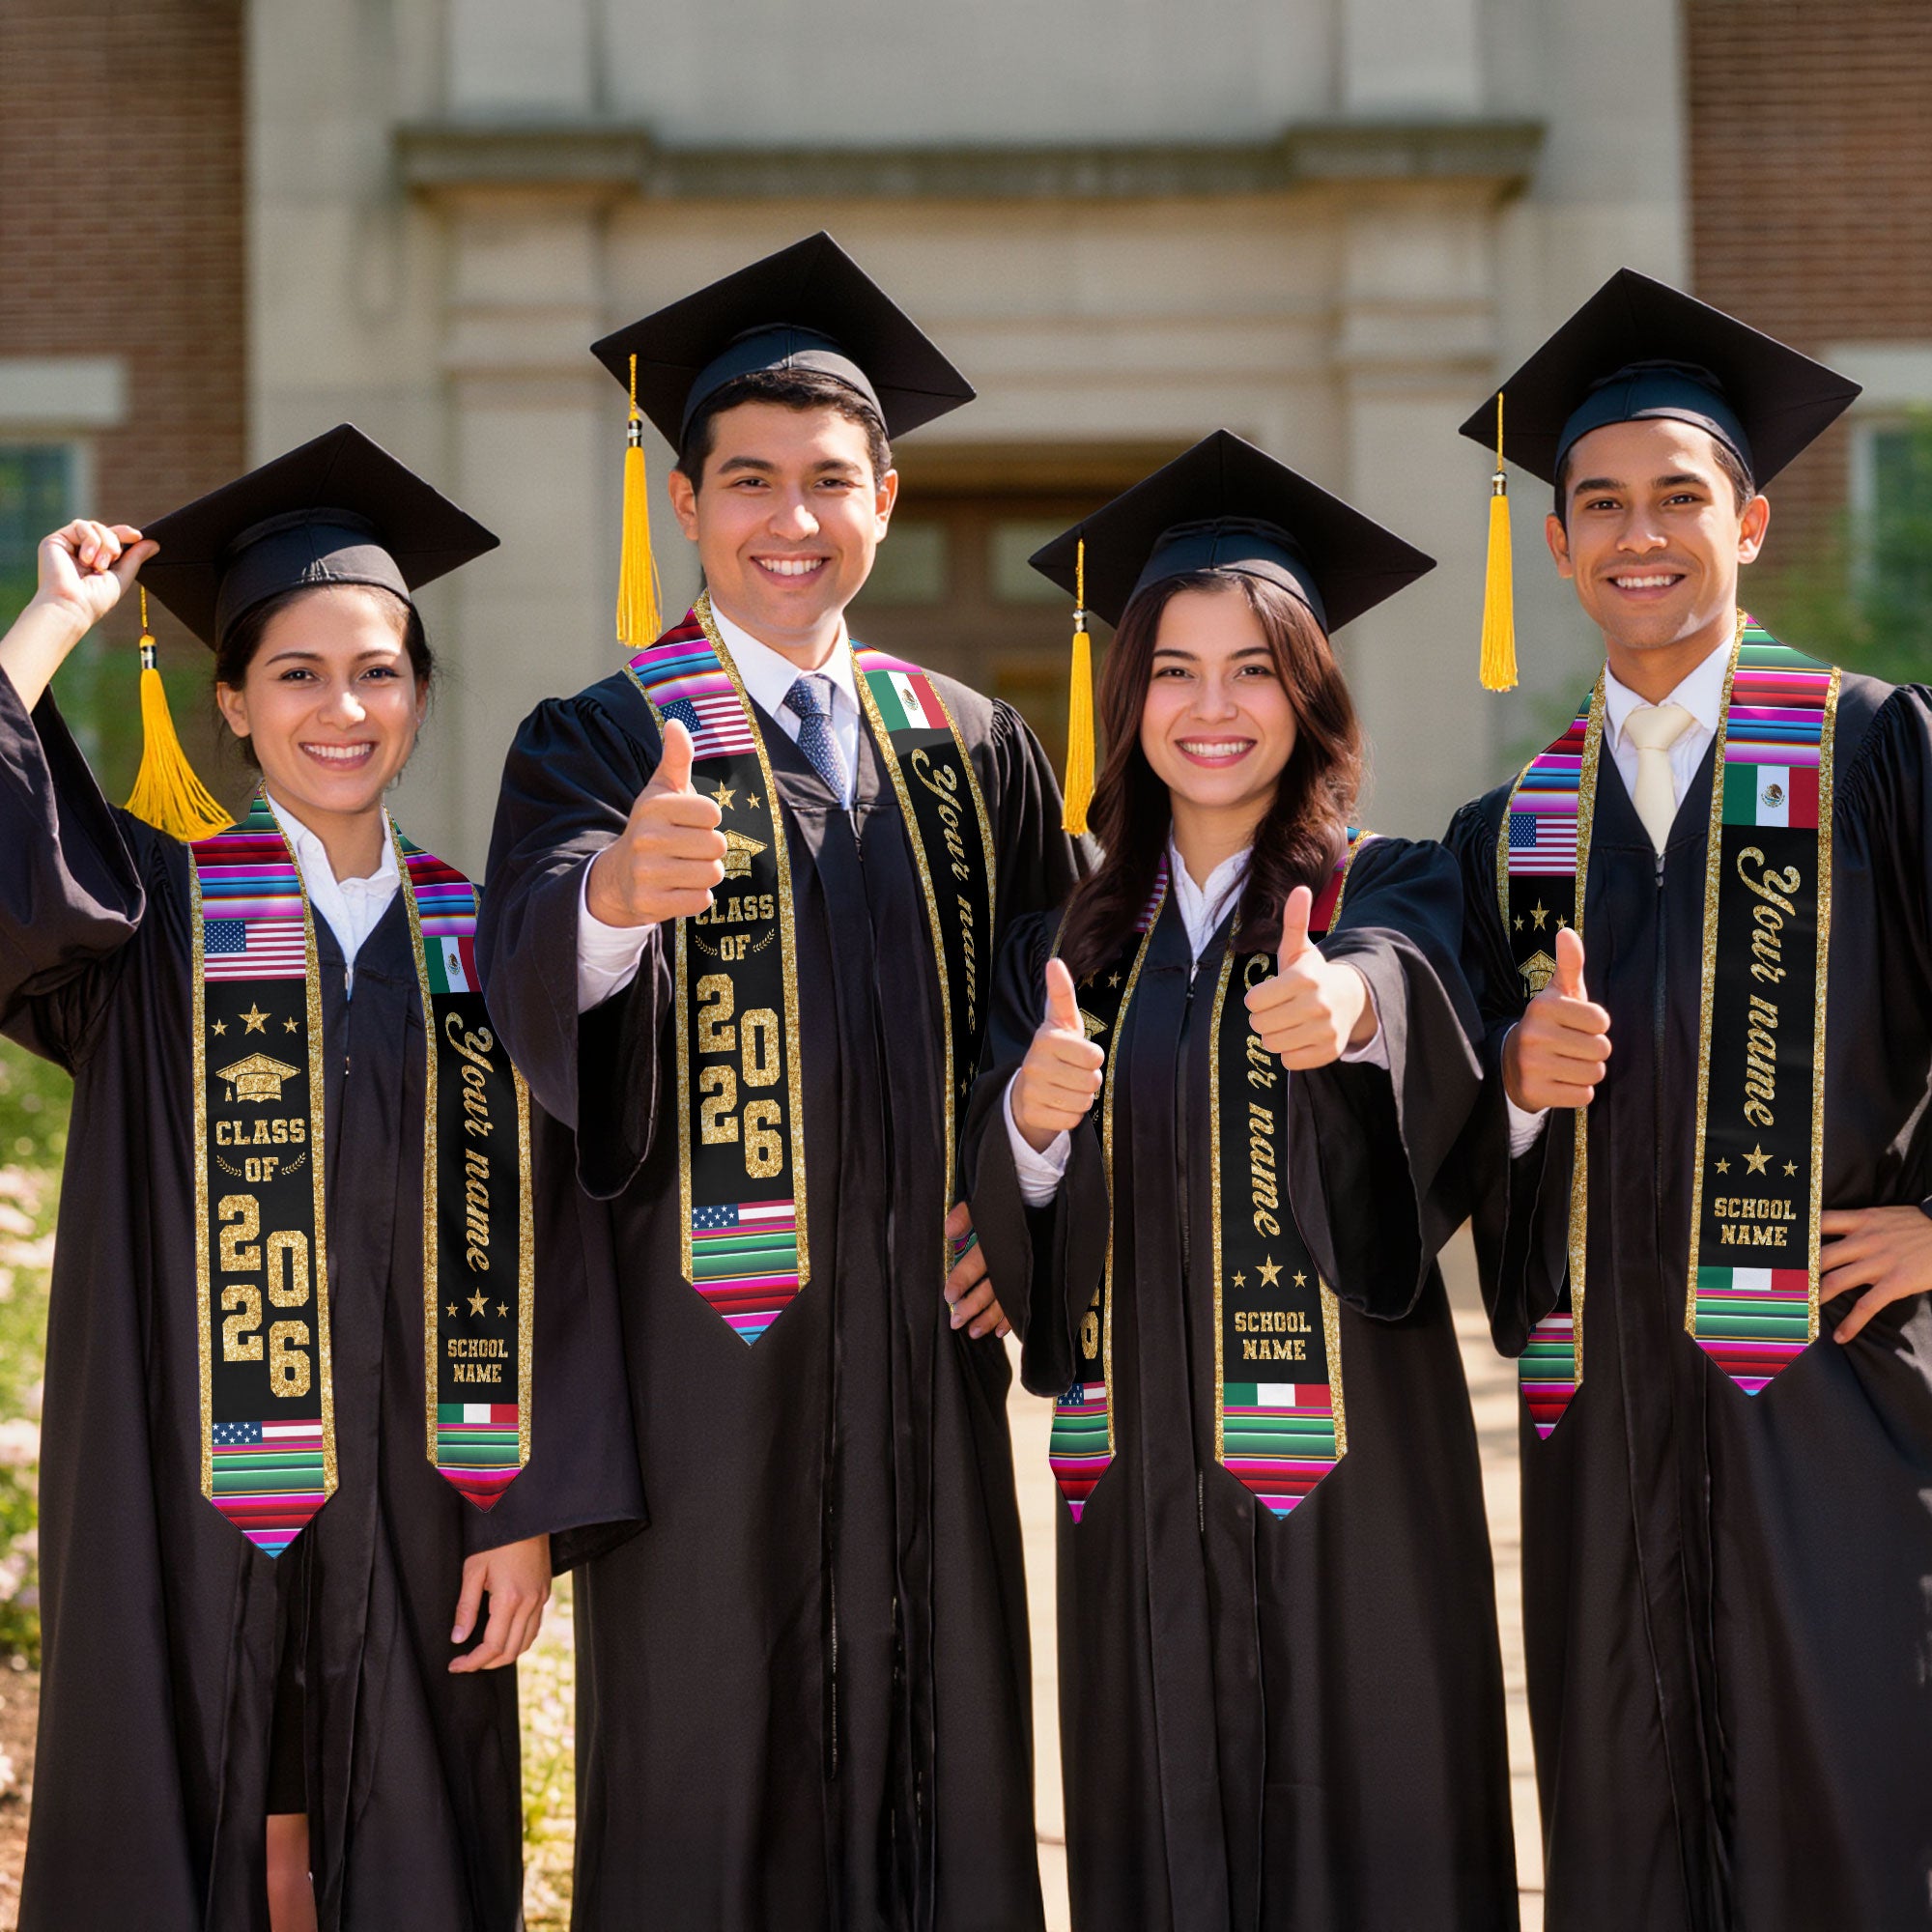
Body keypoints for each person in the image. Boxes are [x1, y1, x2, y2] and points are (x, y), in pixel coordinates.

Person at [478, 233, 1082, 1931]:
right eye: (749, 481)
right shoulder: (601, 738)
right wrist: (612, 900)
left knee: (940, 1760)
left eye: (829, 480)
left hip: (923, 1365)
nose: (790, 518)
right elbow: (525, 967)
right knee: (710, 1774)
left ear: (886, 497)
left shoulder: (969, 745)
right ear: (686, 503)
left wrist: (1019, 1201)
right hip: (705, 1373)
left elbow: (1063, 1004)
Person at [0, 425, 641, 1932]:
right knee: (195, 1811)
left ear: (418, 694)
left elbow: (559, 1242)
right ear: (231, 701)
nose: (341, 709)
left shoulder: (488, 940)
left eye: (378, 672)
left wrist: (524, 1508)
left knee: (403, 1834)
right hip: (181, 1484)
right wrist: (53, 622)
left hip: (424, 1497)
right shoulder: (151, 919)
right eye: (296, 673)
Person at [965, 431, 1518, 1930]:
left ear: (1311, 693)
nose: (1212, 708)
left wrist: (1351, 1011)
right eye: (1174, 671)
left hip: (1355, 1480)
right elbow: (1015, 1224)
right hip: (1138, 1478)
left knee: (1375, 1833)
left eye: (1255, 670)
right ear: (1127, 698)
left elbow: (1411, 990)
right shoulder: (1067, 946)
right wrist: (1029, 1124)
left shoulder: (1387, 884)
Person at [1446, 270, 1932, 1931]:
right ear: (1558, 542)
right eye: (1599, 504)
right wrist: (1514, 1091)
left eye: (1678, 497)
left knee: (1854, 1816)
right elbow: (1453, 1141)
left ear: (1752, 523)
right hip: (1606, 1430)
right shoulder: (1514, 833)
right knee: (1627, 1827)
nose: (1637, 534)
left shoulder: (1877, 754)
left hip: (1837, 1401)